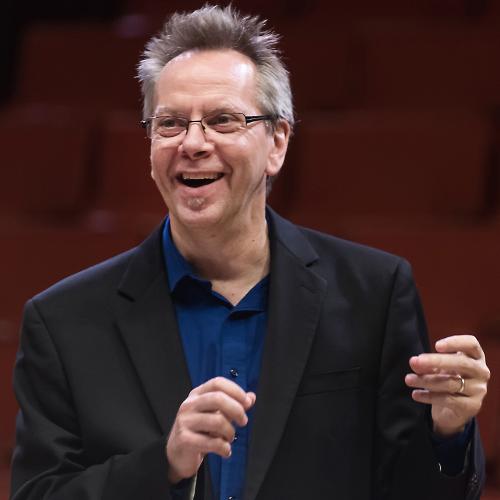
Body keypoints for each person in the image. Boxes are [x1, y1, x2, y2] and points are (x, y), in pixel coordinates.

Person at [10, 5, 490, 500]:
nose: (193, 143)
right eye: (170, 123)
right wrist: (165, 464)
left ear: (277, 142)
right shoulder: (64, 321)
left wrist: (449, 435)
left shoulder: (374, 294)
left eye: (222, 120)